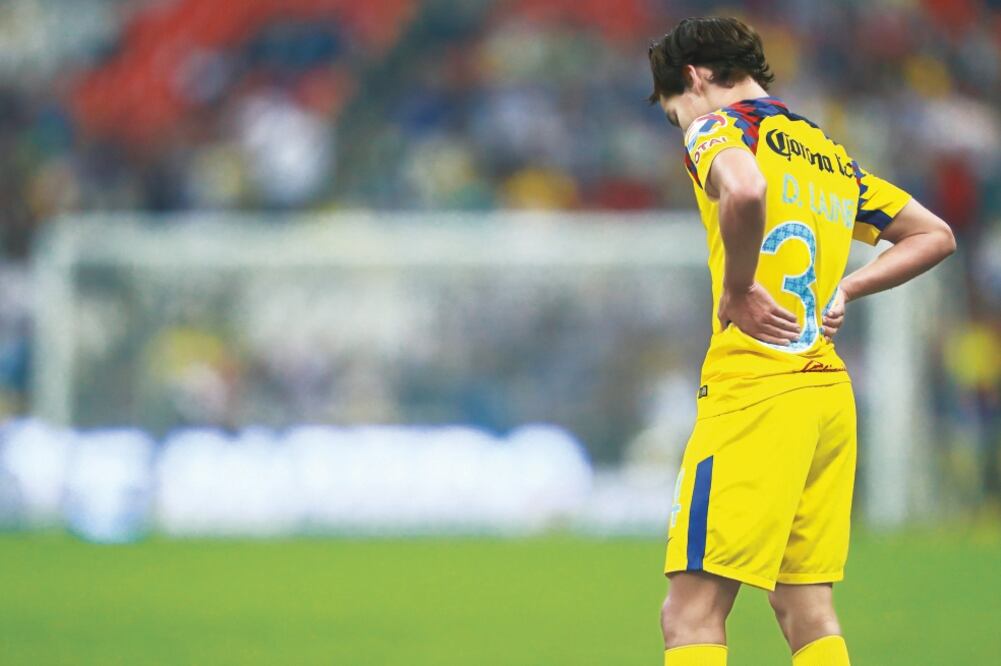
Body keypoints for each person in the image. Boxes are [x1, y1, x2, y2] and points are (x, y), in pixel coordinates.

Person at [647, 16, 956, 666]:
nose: (680, 125)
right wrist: (848, 288)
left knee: (690, 612)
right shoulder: (825, 152)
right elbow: (933, 234)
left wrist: (736, 287)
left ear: (693, 78)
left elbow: (746, 189)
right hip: (826, 398)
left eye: (673, 110)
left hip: (756, 389)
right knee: (804, 608)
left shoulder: (720, 128)